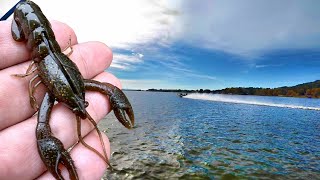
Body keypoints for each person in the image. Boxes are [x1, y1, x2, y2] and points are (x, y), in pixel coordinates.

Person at [0, 20, 121, 179]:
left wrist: (78, 100)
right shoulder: (50, 91)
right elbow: (42, 130)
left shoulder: (73, 86)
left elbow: (109, 89)